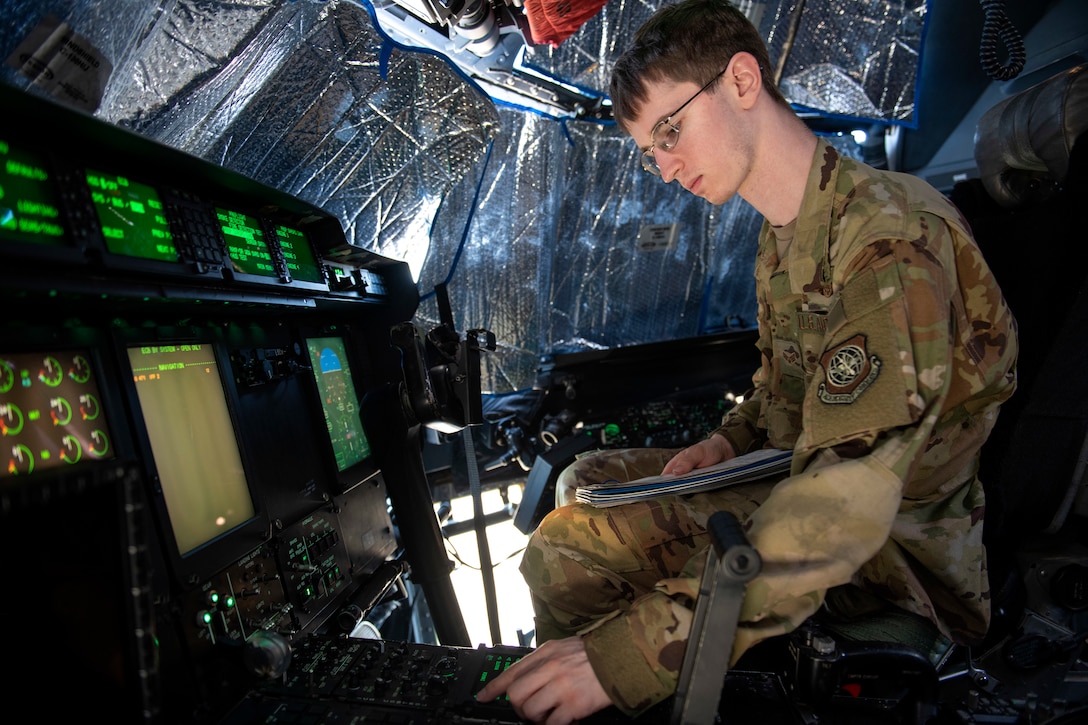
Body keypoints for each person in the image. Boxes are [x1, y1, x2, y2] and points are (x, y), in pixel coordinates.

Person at [477, 0, 1018, 722]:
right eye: (649, 149)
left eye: (670, 130)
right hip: (803, 473)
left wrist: (628, 656)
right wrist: (729, 438)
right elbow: (783, 389)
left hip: (892, 550)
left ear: (740, 81)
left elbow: (845, 497)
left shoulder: (889, 238)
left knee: (566, 547)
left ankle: (599, 692)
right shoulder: (784, 237)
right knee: (586, 477)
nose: (664, 170)